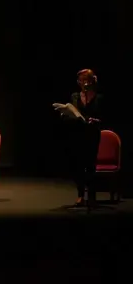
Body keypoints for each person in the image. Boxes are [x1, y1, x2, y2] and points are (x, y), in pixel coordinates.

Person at [66, 69, 104, 206]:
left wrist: (95, 120)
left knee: (90, 164)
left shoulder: (99, 98)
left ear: (93, 81)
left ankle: (92, 195)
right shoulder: (75, 96)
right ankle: (81, 194)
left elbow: (104, 117)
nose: (84, 82)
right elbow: (74, 112)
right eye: (82, 80)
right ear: (78, 82)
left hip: (92, 133)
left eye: (87, 79)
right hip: (77, 134)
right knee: (77, 165)